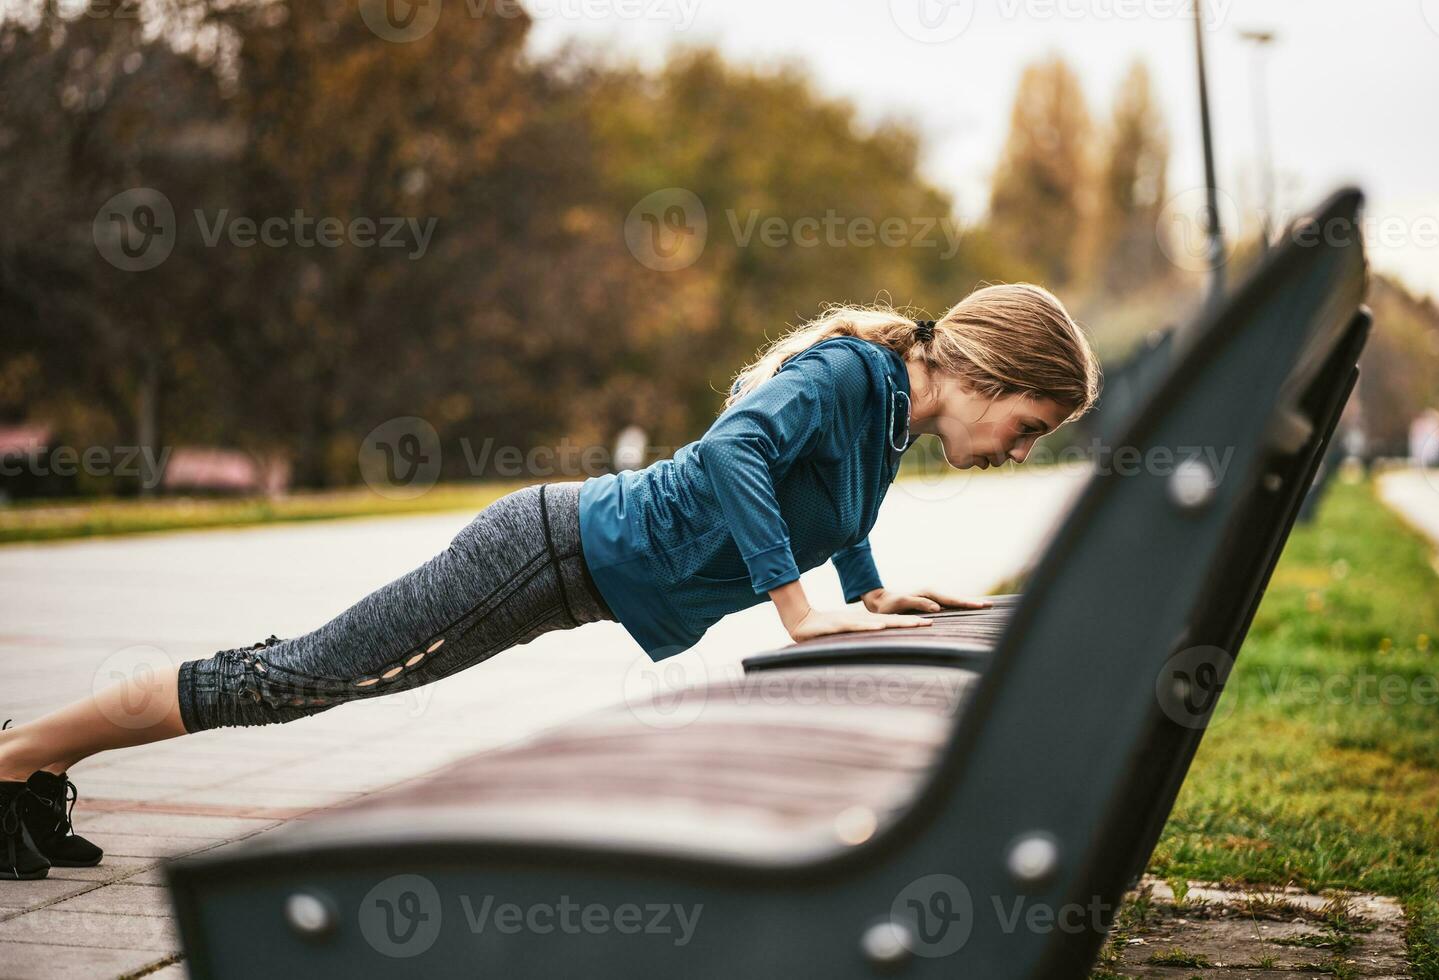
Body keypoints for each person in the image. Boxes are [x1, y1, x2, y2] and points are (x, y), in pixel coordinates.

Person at [0, 282, 1100, 880]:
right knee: (293, 681)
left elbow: (837, 498)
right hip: (539, 552)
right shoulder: (851, 370)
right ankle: (15, 757)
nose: (1019, 447)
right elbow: (736, 450)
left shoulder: (880, 409)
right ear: (991, 374)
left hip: (559, 564)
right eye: (1030, 426)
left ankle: (31, 765)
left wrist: (868, 591)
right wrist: (798, 608)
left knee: (296, 675)